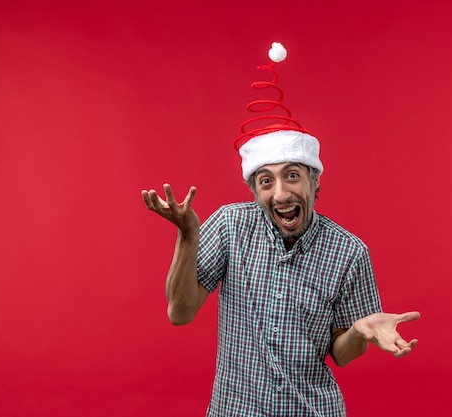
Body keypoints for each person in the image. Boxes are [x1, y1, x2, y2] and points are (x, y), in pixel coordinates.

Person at [141, 42, 420, 417]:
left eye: (292, 176)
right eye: (266, 181)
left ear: (314, 182)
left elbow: (342, 355)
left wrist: (360, 330)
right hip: (234, 409)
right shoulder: (229, 226)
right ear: (254, 190)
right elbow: (180, 312)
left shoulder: (349, 253)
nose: (282, 192)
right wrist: (189, 234)